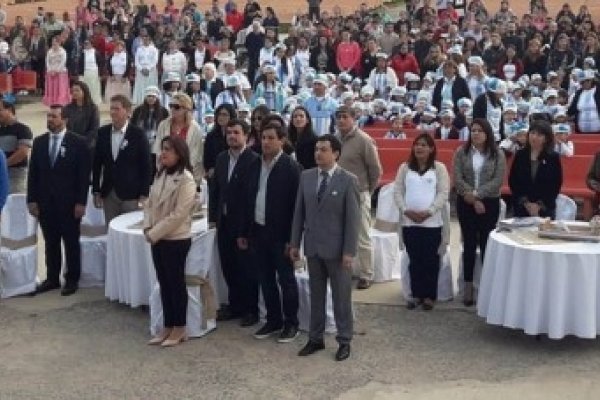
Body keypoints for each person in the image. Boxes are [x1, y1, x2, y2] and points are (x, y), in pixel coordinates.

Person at [290, 134, 360, 361]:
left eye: (323, 150)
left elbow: (353, 220)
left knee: (341, 298)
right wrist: (294, 243)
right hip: (313, 247)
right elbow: (298, 213)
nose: (318, 153)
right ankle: (315, 338)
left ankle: (344, 340)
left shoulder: (348, 180)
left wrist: (349, 251)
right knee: (316, 296)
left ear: (336, 153)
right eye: (316, 149)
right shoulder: (306, 177)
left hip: (338, 250)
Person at [240, 122, 302, 342]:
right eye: (263, 138)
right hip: (258, 231)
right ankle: (273, 319)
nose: (265, 142)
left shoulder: (291, 168)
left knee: (286, 280)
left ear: (282, 140)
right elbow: (248, 199)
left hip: (281, 236)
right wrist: (245, 232)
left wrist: (292, 240)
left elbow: (296, 208)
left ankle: (291, 322)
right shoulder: (255, 164)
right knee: (265, 278)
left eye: (270, 138)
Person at [27, 105, 90, 296]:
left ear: (65, 120)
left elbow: (83, 176)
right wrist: (32, 200)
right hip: (46, 203)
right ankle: (52, 278)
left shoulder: (78, 143)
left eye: (54, 116)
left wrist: (81, 202)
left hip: (70, 204)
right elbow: (33, 174)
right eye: (48, 116)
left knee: (70, 242)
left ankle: (72, 279)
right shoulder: (39, 142)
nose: (50, 120)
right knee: (51, 242)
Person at [144, 135, 197, 347]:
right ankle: (167, 325)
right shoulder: (160, 174)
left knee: (176, 284)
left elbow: (179, 213)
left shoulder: (186, 179)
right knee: (164, 283)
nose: (163, 153)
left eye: (169, 150)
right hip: (158, 237)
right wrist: (148, 226)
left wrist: (155, 232)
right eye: (162, 148)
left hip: (176, 239)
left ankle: (180, 327)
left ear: (179, 154)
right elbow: (150, 204)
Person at [208, 118, 259, 326]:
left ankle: (251, 309)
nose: (232, 136)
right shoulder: (221, 158)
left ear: (246, 135)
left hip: (244, 225)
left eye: (236, 133)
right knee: (228, 266)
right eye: (229, 133)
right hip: (224, 222)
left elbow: (252, 198)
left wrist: (245, 231)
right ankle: (235, 305)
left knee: (246, 268)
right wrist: (213, 218)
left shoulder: (254, 160)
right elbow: (216, 191)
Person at [393, 133, 450, 310]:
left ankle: (429, 296)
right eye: (417, 144)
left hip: (432, 222)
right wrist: (405, 210)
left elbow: (443, 193)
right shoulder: (404, 168)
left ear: (432, 148)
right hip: (409, 222)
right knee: (414, 259)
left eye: (424, 145)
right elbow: (397, 191)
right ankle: (416, 294)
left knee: (430, 260)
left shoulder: (439, 168)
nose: (419, 148)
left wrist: (430, 212)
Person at [453, 119, 506, 307]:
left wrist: (478, 196)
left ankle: (488, 287)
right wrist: (472, 198)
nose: (476, 134)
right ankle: (468, 287)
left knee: (486, 244)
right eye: (473, 130)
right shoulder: (462, 152)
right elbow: (457, 178)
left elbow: (497, 180)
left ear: (487, 133)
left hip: (489, 203)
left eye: (480, 131)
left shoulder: (497, 154)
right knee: (468, 243)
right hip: (466, 202)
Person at [336, 105, 382, 289]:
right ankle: (341, 271)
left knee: (362, 235)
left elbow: (375, 169)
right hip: (337, 192)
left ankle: (366, 274)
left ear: (353, 118)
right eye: (338, 117)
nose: (340, 120)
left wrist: (367, 192)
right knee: (338, 234)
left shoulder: (364, 140)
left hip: (359, 192)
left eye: (344, 117)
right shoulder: (335, 139)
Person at [92, 95, 152, 225]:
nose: (113, 112)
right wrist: (96, 190)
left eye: (117, 109)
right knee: (112, 232)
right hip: (109, 194)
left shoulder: (138, 134)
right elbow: (97, 163)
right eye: (111, 108)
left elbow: (146, 166)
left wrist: (144, 193)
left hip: (132, 195)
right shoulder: (102, 133)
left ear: (128, 111)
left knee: (130, 231)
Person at [508, 120, 562, 219]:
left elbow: (556, 185)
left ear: (546, 138)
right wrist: (526, 203)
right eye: (532, 133)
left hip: (545, 208)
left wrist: (539, 205)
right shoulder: (520, 155)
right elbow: (513, 181)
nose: (534, 137)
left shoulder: (553, 157)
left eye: (539, 135)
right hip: (522, 207)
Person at [154, 93, 204, 186]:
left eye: (176, 107)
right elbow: (158, 148)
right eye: (170, 106)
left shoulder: (195, 128)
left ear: (186, 109)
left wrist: (181, 171)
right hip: (166, 172)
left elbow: (195, 155)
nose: (172, 109)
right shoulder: (163, 125)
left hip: (187, 175)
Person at [0, 99, 33, 193]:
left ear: (9, 110)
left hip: (15, 176)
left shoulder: (22, 129)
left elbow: (22, 153)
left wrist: (3, 164)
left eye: (0, 110)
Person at [130, 86, 170, 165]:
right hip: (141, 141)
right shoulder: (138, 110)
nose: (151, 98)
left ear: (157, 98)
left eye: (153, 96)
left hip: (157, 142)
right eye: (149, 96)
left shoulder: (163, 111)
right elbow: (133, 125)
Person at [64, 81, 100, 150]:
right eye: (73, 90)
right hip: (71, 142)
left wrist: (83, 140)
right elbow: (65, 127)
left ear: (84, 91)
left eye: (77, 90)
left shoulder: (93, 108)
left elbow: (94, 128)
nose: (74, 93)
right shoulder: (67, 108)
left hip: (87, 143)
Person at [132, 29, 159, 104]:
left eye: (147, 39)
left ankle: (152, 100)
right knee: (140, 86)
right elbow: (136, 61)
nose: (145, 41)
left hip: (151, 70)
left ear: (150, 40)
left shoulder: (154, 49)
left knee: (150, 85)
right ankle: (140, 100)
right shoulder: (139, 49)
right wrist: (141, 69)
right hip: (141, 70)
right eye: (144, 39)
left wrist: (148, 68)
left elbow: (155, 61)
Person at [43, 36, 71, 106]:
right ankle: (52, 102)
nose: (54, 43)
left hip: (61, 72)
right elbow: (47, 61)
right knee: (51, 89)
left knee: (60, 88)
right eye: (53, 42)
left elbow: (63, 61)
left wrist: (57, 70)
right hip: (51, 72)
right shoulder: (49, 51)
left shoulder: (63, 51)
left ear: (59, 43)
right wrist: (50, 70)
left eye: (55, 42)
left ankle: (61, 101)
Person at [78, 38, 104, 105]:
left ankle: (95, 101)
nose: (86, 45)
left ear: (92, 44)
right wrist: (80, 73)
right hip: (85, 72)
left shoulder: (96, 53)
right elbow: (80, 64)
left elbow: (100, 64)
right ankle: (85, 100)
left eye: (88, 44)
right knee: (85, 86)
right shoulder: (83, 53)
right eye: (85, 44)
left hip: (94, 72)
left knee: (94, 87)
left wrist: (100, 74)